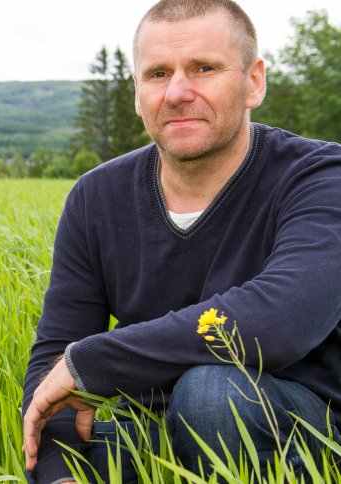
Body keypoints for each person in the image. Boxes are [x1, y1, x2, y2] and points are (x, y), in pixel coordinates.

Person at [22, 0, 341, 482]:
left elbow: (281, 319)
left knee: (211, 395)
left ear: (254, 81)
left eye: (204, 69)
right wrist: (59, 474)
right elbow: (56, 359)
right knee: (92, 447)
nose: (177, 92)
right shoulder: (96, 197)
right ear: (136, 92)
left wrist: (95, 361)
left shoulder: (318, 177)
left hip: (294, 428)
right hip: (156, 431)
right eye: (156, 74)